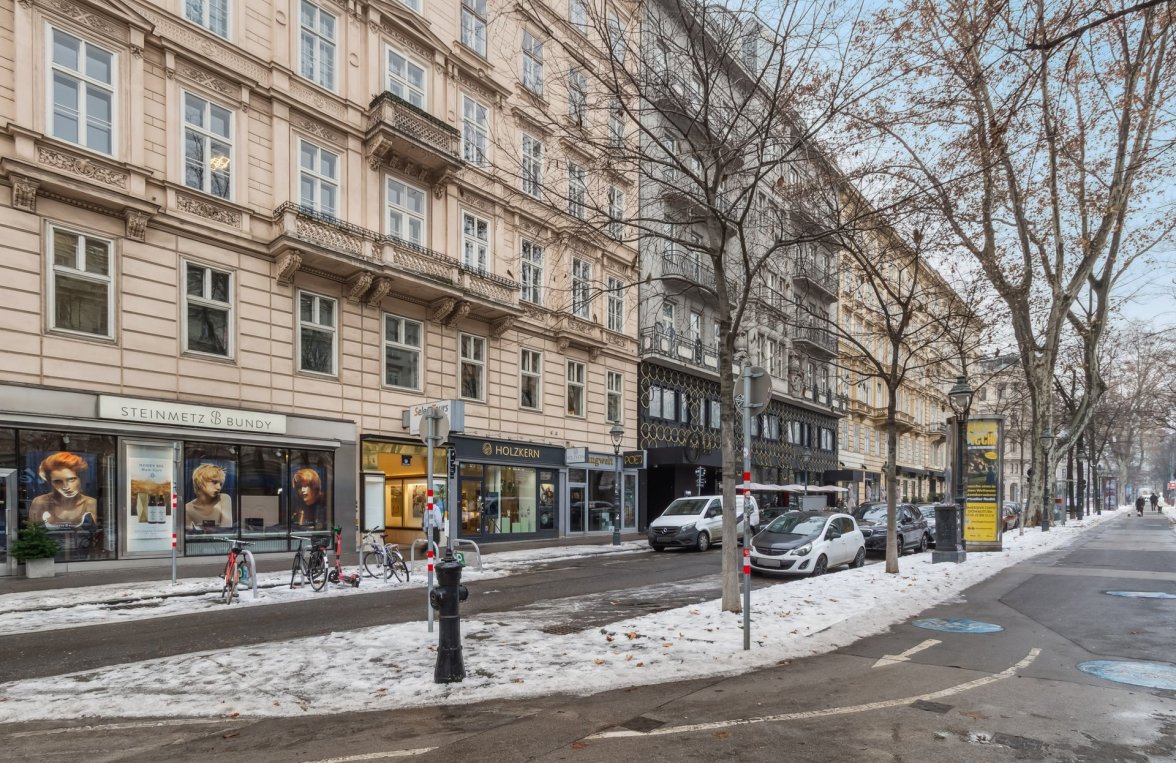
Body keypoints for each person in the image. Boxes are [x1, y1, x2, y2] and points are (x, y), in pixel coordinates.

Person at [30, 452, 97, 527]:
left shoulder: (91, 503)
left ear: (81, 478)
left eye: (71, 479)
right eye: (58, 481)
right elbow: (32, 533)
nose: (65, 487)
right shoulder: (41, 502)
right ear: (50, 482)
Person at [186, 463, 233, 530]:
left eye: (221, 484)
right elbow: (188, 534)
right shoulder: (188, 509)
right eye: (214, 482)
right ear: (200, 482)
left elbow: (226, 531)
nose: (219, 487)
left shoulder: (223, 499)